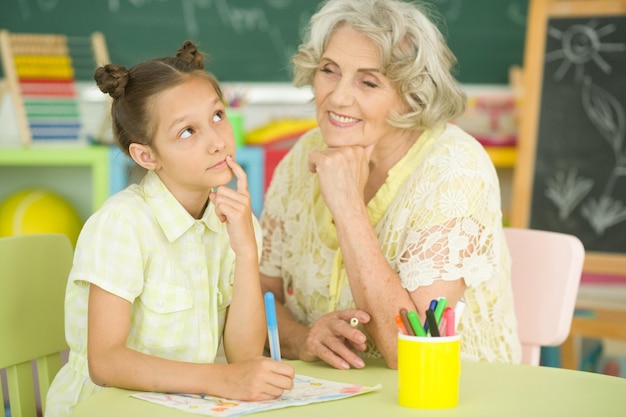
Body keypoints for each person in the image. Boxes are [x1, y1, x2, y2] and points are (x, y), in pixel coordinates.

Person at [259, 0, 522, 370]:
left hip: (450, 396)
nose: (337, 96)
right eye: (329, 70)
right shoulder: (305, 154)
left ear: (412, 95)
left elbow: (413, 354)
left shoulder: (455, 170)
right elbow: (259, 296)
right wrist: (304, 340)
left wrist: (349, 207)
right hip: (333, 394)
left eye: (368, 81)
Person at [45, 41, 294, 417]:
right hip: (107, 407)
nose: (216, 141)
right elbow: (106, 362)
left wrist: (246, 253)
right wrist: (221, 380)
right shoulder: (123, 224)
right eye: (187, 132)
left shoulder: (237, 222)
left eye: (217, 116)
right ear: (147, 156)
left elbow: (243, 357)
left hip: (188, 406)